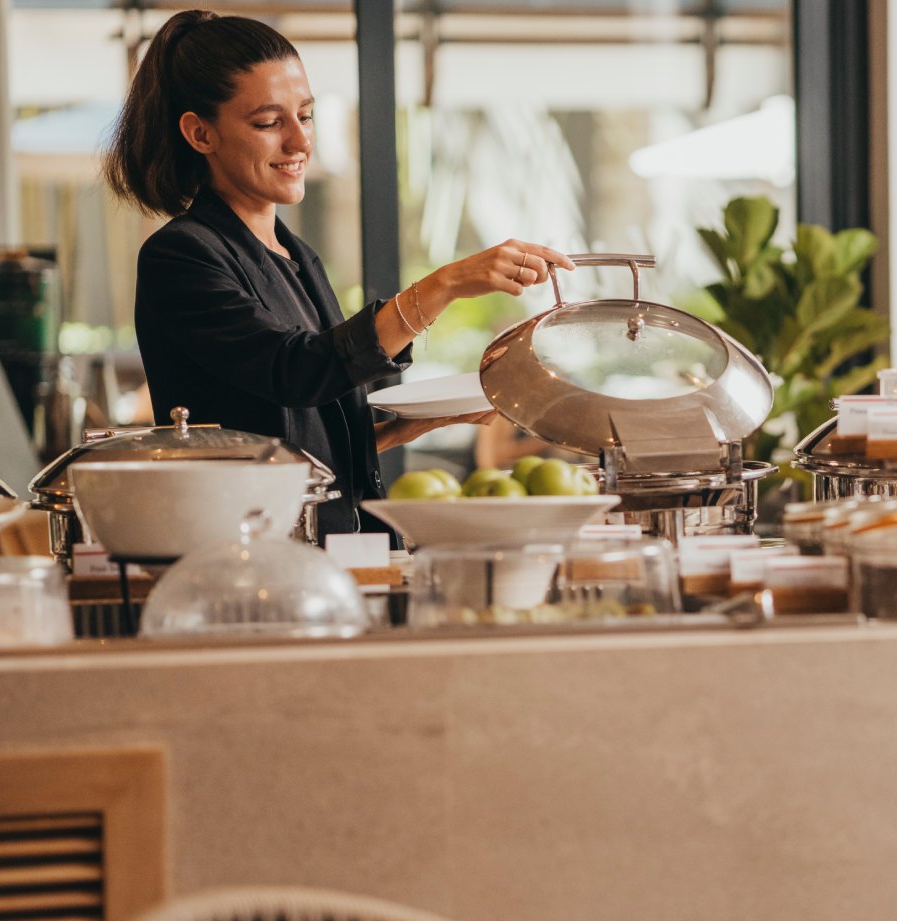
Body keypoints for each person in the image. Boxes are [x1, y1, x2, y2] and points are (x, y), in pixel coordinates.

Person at [104, 9, 572, 538]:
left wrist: (414, 425)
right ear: (200, 133)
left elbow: (301, 438)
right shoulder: (182, 256)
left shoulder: (295, 254)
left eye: (304, 116)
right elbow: (297, 372)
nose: (300, 143)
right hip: (249, 553)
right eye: (267, 122)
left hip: (338, 548)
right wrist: (444, 285)